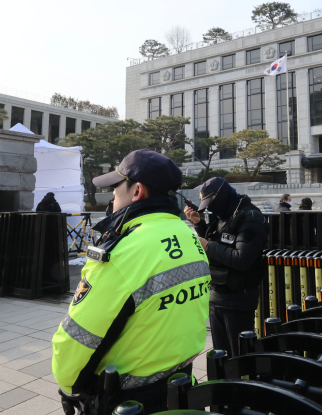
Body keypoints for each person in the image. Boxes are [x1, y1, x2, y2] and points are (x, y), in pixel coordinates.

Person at [52, 149, 211, 414]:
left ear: (137, 191)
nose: (113, 194)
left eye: (116, 186)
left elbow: (77, 340)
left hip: (127, 400)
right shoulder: (189, 235)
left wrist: (69, 386)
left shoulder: (124, 251)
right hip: (182, 386)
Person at [184, 177, 268, 358]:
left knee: (239, 356)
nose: (209, 207)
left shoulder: (251, 216)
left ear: (221, 196)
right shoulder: (224, 216)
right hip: (217, 295)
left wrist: (207, 246)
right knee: (221, 356)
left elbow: (242, 259)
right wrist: (199, 224)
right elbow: (216, 239)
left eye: (210, 202)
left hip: (238, 298)